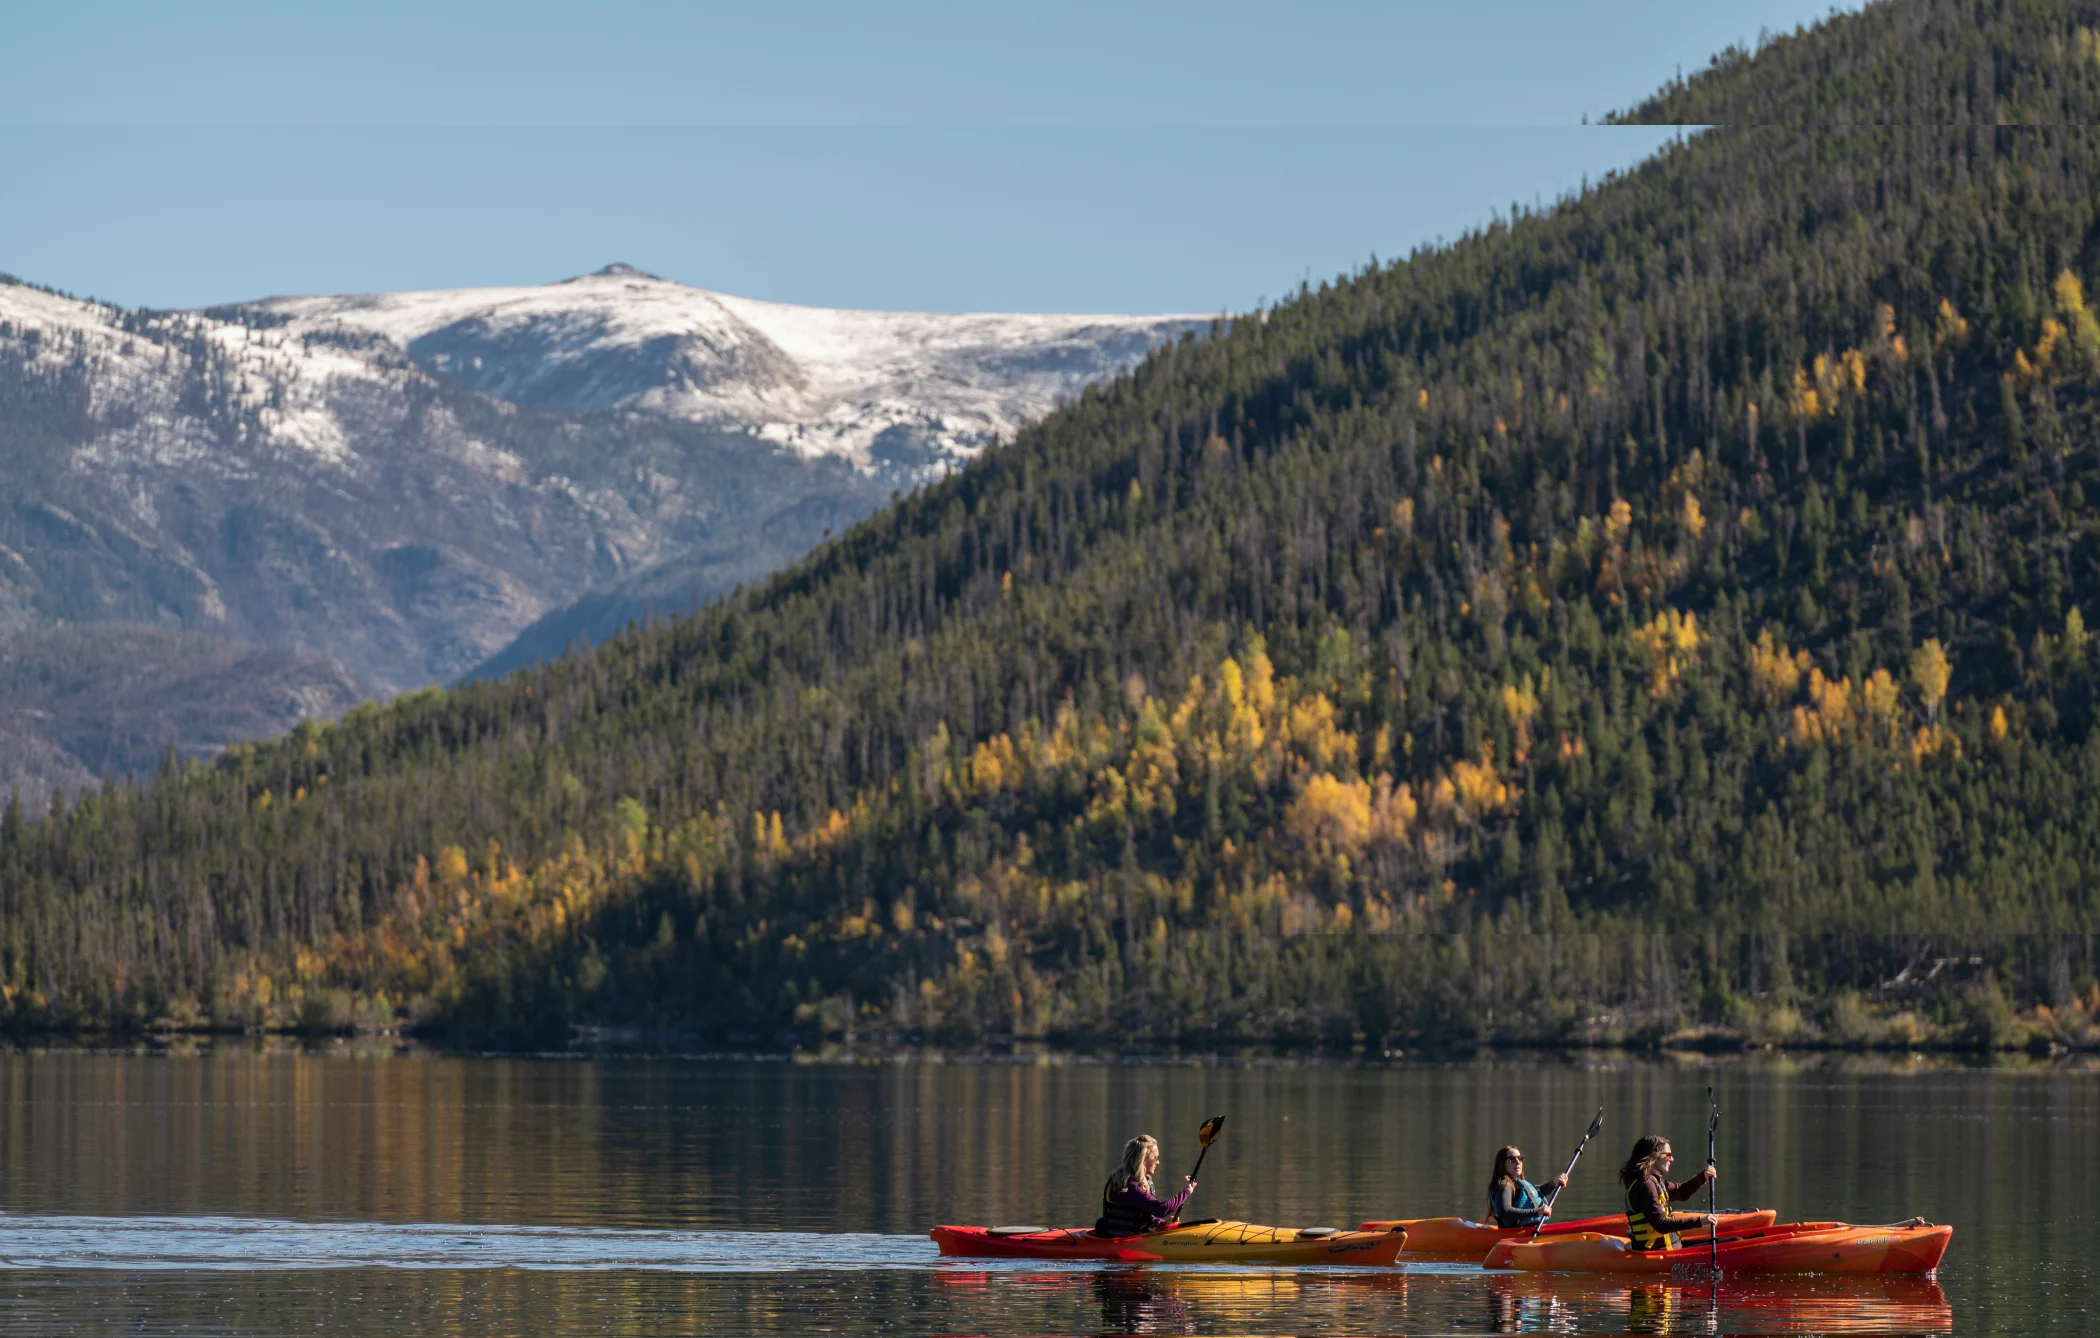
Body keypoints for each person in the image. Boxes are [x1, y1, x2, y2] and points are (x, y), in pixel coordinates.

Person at [1617, 1133, 1717, 1251]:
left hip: (1670, 1247)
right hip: (1660, 1253)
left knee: (1737, 1240)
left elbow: (1681, 1192)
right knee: (1736, 1242)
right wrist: (1700, 1221)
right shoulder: (1645, 1185)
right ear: (1654, 1155)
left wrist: (1703, 1177)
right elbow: (1661, 1224)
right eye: (1668, 1155)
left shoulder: (1654, 1181)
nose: (1672, 1159)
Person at [1092, 1134, 1197, 1237]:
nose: (1158, 1162)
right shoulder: (1130, 1186)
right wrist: (1186, 1192)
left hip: (1130, 1238)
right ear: (1143, 1159)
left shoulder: (1134, 1182)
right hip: (1122, 1242)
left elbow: (1141, 1214)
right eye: (1155, 1158)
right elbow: (1161, 1210)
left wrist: (1162, 1224)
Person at [1486, 1145, 1568, 1228]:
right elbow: (1505, 1211)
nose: (1518, 1162)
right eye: (1512, 1159)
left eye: (1520, 1158)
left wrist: (1553, 1183)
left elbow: (1535, 1194)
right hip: (1515, 1233)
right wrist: (1537, 1212)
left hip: (1528, 1229)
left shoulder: (1515, 1183)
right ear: (1502, 1163)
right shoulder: (1504, 1185)